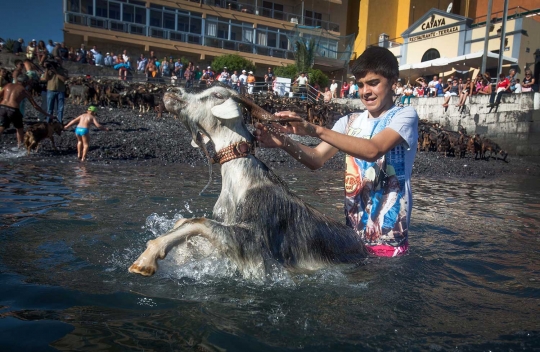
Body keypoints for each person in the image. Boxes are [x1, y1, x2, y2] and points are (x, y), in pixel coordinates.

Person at [255, 46, 418, 257]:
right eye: (360, 85)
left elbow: (373, 150)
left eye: (373, 83)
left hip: (390, 241)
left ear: (393, 82)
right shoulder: (348, 122)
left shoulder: (404, 115)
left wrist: (314, 130)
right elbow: (316, 158)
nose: (365, 91)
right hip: (351, 239)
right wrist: (283, 142)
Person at [0, 75, 55, 148]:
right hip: (13, 109)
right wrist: (47, 114)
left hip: (2, 107)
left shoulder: (8, 85)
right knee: (19, 128)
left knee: (1, 127)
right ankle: (20, 146)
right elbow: (35, 106)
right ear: (25, 82)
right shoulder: (24, 90)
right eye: (28, 82)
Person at [45, 59, 68, 123]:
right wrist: (47, 69)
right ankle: (48, 121)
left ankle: (59, 122)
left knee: (60, 108)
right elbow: (45, 79)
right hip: (51, 89)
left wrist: (56, 72)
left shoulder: (64, 70)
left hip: (60, 90)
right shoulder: (49, 70)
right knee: (49, 108)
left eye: (59, 61)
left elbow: (64, 79)